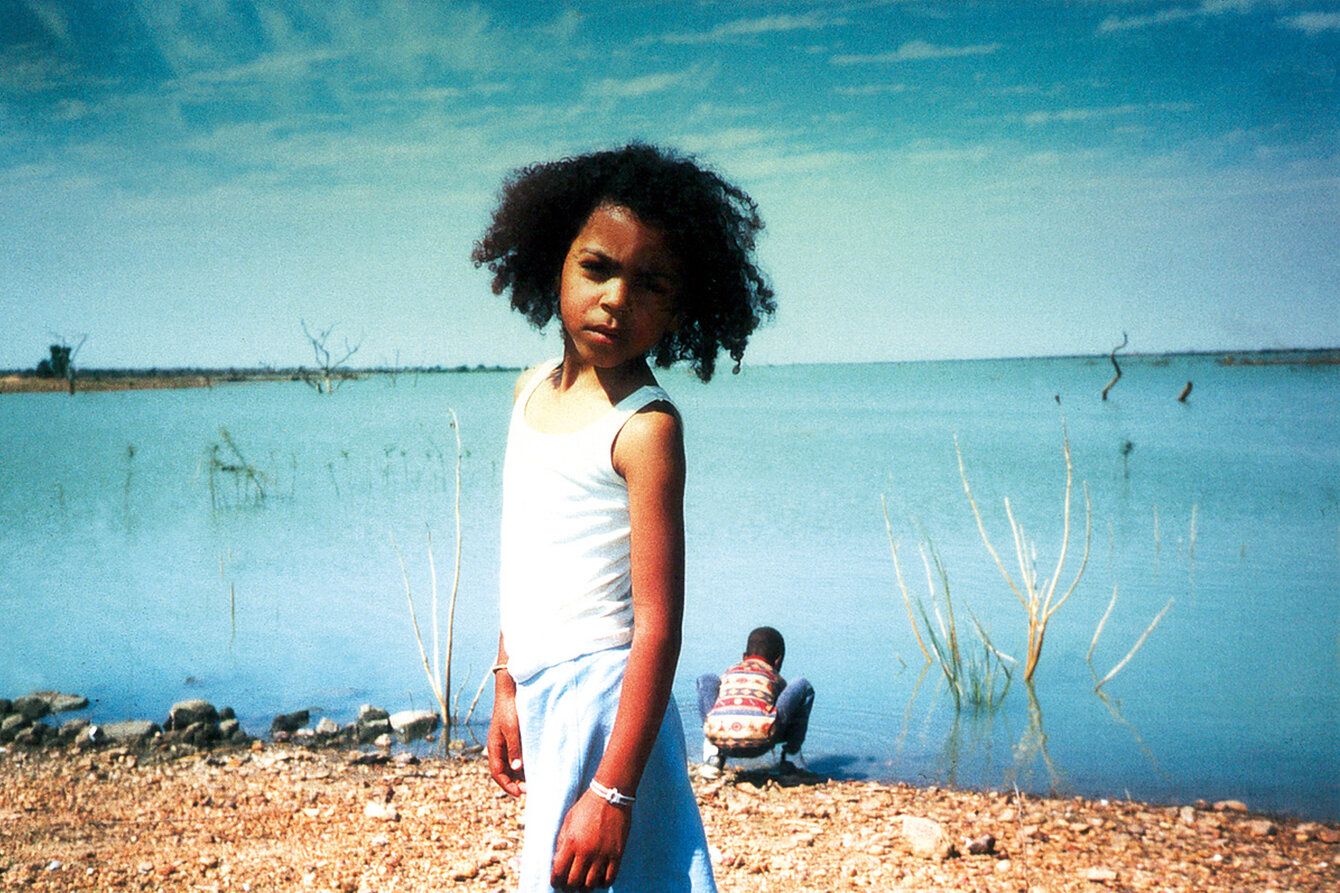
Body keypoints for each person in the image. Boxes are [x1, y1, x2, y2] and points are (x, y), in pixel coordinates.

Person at [475, 143, 775, 893]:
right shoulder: (528, 389)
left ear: (682, 306)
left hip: (609, 702)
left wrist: (612, 791)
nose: (616, 298)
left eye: (651, 284)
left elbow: (658, 626)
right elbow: (524, 551)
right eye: (598, 267)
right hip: (542, 687)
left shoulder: (645, 429)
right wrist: (507, 678)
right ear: (554, 262)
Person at [696, 626, 814, 777]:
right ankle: (791, 758)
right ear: (778, 661)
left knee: (706, 679)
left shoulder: (730, 672)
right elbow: (787, 708)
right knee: (802, 685)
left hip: (720, 739)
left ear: (744, 656)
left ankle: (713, 755)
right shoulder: (773, 676)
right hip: (762, 741)